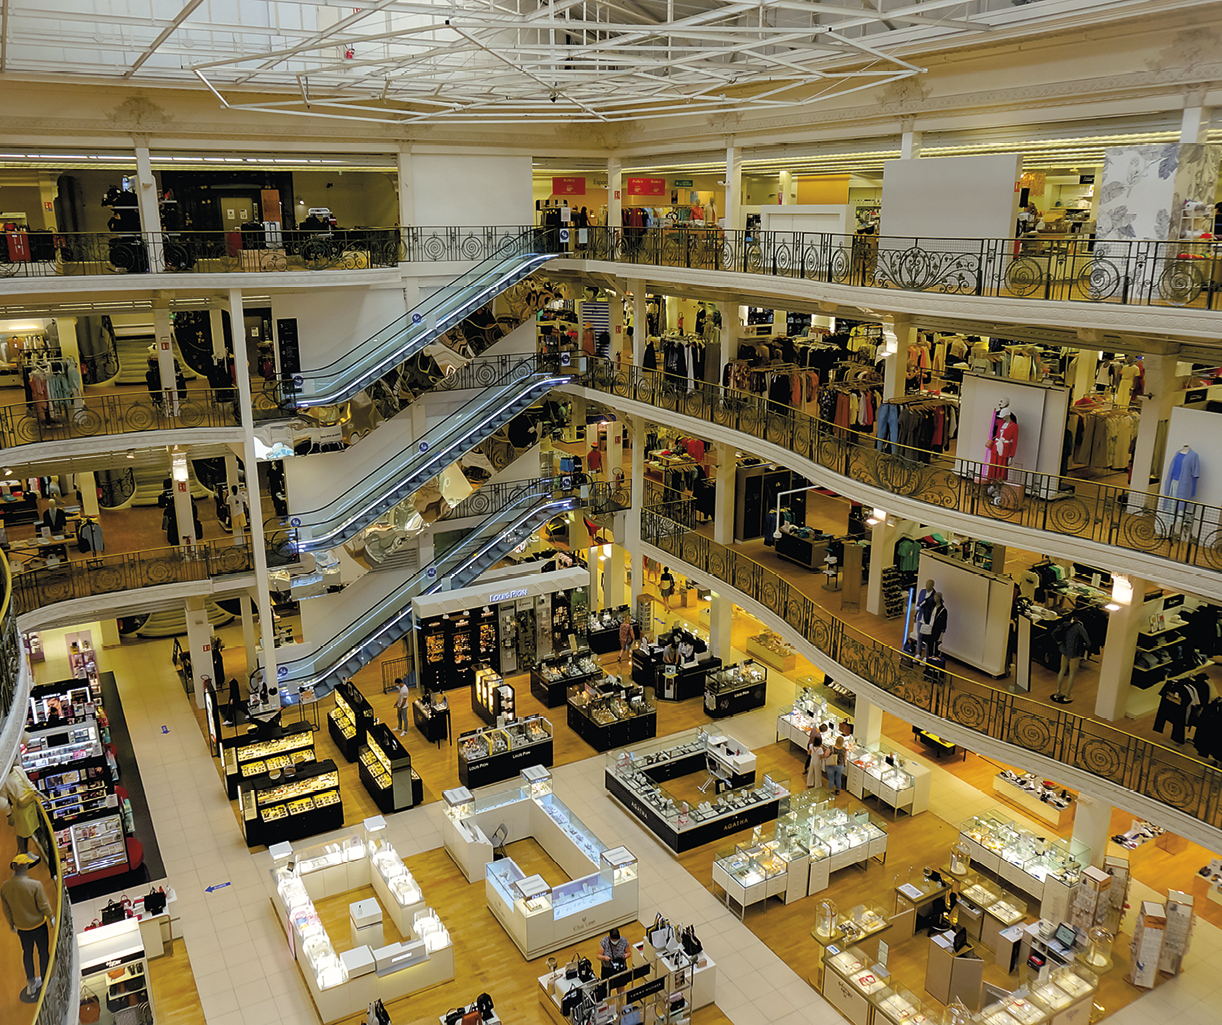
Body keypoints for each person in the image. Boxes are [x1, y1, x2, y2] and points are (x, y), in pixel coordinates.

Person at [2, 853, 54, 1000]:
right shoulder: (35, 885)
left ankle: (31, 983)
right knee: (43, 952)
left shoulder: (6, 887)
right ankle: (45, 982)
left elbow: (6, 909)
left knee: (27, 953)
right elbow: (43, 905)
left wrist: (11, 924)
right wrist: (51, 917)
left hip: (22, 928)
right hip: (38, 924)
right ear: (25, 866)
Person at [1, 765, 48, 866]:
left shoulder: (18, 769)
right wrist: (9, 814)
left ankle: (27, 852)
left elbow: (28, 783)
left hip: (29, 804)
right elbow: (3, 799)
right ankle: (23, 854)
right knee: (22, 833)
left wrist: (40, 793)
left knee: (28, 831)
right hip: (19, 809)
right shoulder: (3, 779)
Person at [1052, 614, 1091, 703]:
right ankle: (1067, 695)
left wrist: (1059, 643)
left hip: (1064, 650)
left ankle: (1058, 692)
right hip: (1075, 653)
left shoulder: (1065, 624)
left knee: (1062, 670)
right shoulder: (1080, 629)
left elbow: (1054, 633)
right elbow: (1088, 642)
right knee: (1072, 673)